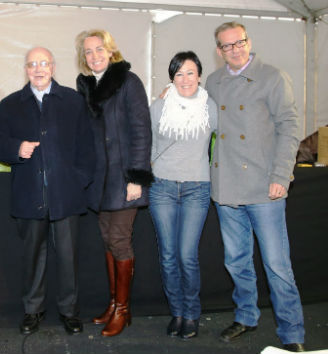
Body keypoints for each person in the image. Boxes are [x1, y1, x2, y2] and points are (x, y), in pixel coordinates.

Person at [206, 21, 305, 352]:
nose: (234, 50)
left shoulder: (273, 77)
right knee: (236, 260)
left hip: (264, 185)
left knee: (277, 265)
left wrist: (281, 174)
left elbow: (289, 126)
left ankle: (292, 332)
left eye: (239, 43)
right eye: (227, 46)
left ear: (249, 42)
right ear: (219, 51)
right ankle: (246, 316)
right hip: (226, 186)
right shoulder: (214, 81)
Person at [0, 47, 95, 336]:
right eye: (32, 64)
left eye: (43, 63)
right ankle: (33, 311)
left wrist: (78, 180)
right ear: (25, 69)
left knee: (69, 259)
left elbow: (87, 147)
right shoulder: (11, 104)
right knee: (33, 258)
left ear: (54, 67)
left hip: (66, 196)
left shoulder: (73, 101)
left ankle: (70, 312)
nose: (38, 69)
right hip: (28, 195)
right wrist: (15, 148)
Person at [75, 29, 152, 337]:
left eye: (99, 49)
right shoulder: (87, 87)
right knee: (108, 239)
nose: (94, 55)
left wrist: (136, 177)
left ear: (111, 51)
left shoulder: (128, 82)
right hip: (100, 180)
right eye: (89, 51)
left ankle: (123, 309)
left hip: (124, 178)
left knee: (119, 240)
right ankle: (114, 303)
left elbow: (141, 131)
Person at [148, 51, 217, 339]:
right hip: (162, 187)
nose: (185, 79)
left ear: (199, 75)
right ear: (171, 78)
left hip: (196, 189)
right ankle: (176, 312)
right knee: (167, 256)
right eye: (179, 74)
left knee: (187, 255)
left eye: (190, 72)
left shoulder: (211, 107)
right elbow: (146, 143)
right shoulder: (160, 105)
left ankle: (191, 313)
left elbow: (229, 142)